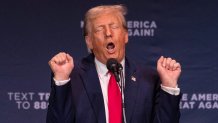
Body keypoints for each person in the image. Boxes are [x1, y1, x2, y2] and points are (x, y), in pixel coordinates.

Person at [46, 4, 182, 123]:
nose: (108, 33)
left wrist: (169, 86)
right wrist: (62, 81)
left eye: (114, 27)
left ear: (126, 35)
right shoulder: (72, 76)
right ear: (89, 41)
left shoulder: (149, 78)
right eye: (99, 29)